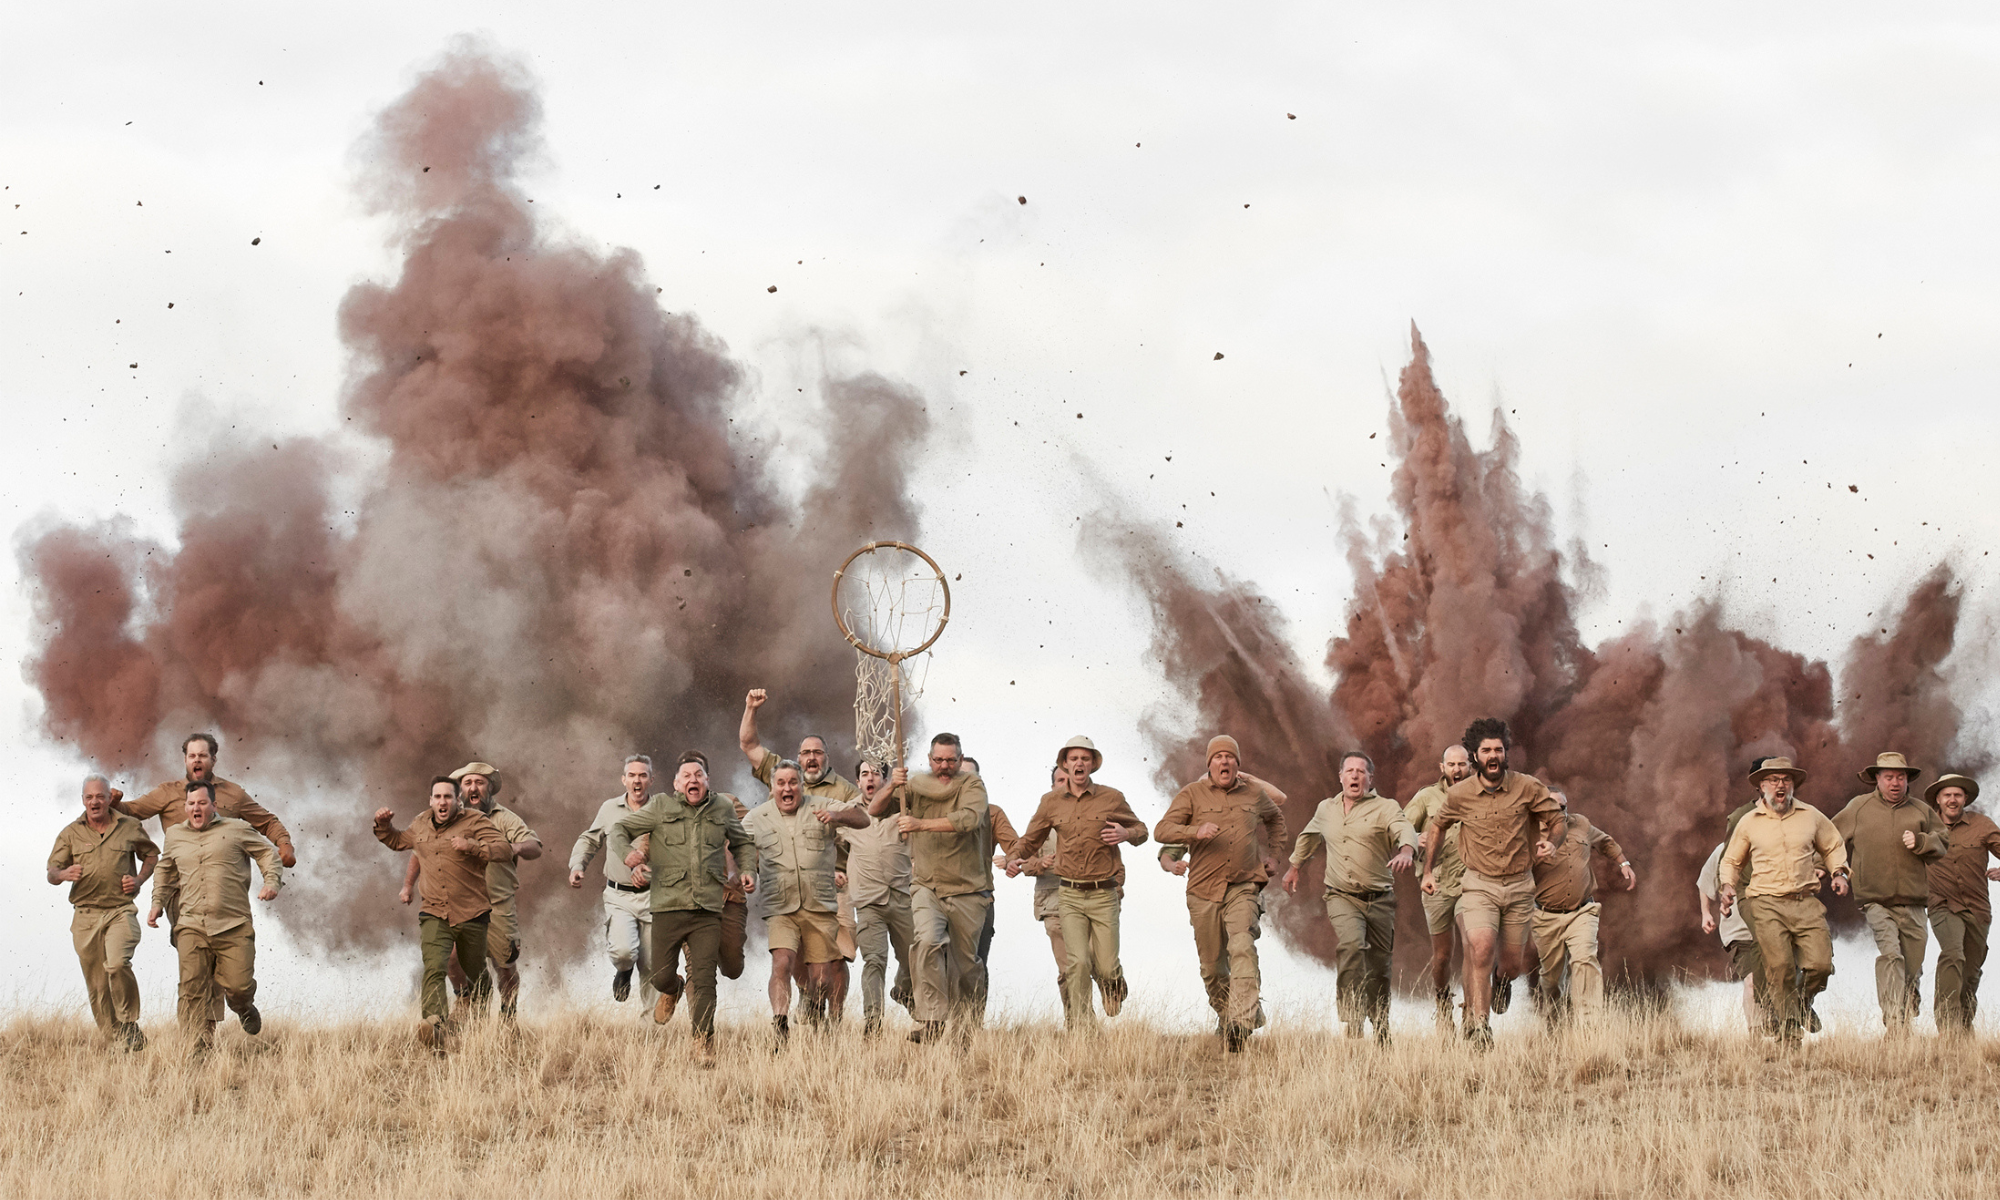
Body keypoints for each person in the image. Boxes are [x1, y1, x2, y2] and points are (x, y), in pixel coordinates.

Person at [114, 732, 296, 1029]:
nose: (196, 760)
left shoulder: (233, 795)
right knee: (197, 965)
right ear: (185, 759)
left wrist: (284, 844)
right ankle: (200, 1043)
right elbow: (132, 812)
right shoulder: (167, 792)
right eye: (191, 755)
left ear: (214, 758)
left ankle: (239, 1001)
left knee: (227, 972)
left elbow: (267, 822)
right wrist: (115, 803)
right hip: (180, 893)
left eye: (203, 755)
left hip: (225, 895)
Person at [1420, 718, 1563, 1048]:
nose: (1493, 755)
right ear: (1475, 756)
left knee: (1512, 963)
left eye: (1498, 749)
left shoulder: (1528, 787)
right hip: (1479, 885)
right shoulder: (1460, 794)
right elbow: (1439, 827)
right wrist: (1429, 871)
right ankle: (1480, 1028)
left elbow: (1556, 820)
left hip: (1519, 887)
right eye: (1486, 750)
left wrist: (1553, 842)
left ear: (1506, 752)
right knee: (1481, 948)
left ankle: (1502, 981)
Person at [609, 754, 757, 1065]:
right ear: (677, 783)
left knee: (703, 978)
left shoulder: (726, 807)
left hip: (709, 907)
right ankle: (672, 988)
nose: (693, 779)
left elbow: (744, 842)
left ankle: (703, 1042)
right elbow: (624, 831)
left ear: (707, 780)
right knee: (660, 976)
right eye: (685, 775)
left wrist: (748, 870)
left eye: (698, 774)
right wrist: (631, 858)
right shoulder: (661, 807)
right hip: (668, 906)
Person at [1156, 735, 1289, 1053]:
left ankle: (1240, 1026)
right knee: (1213, 968)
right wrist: (1194, 831)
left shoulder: (1254, 793)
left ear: (1238, 765)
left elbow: (1276, 818)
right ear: (1209, 763)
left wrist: (1274, 855)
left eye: (1231, 757)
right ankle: (1232, 1015)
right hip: (1203, 891)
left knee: (1243, 946)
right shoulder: (1192, 794)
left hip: (1243, 885)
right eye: (1218, 757)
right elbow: (1162, 829)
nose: (1225, 761)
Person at [1007, 736, 1149, 1030]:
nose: (1079, 763)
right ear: (1065, 764)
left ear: (1093, 764)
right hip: (1069, 893)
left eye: (1085, 758)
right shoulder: (1050, 803)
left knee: (1107, 966)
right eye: (1074, 759)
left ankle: (1113, 985)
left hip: (1104, 893)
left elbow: (1142, 830)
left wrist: (1126, 833)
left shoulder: (1111, 797)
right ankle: (1082, 1030)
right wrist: (1014, 858)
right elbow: (1031, 838)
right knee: (1078, 964)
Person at [740, 689, 865, 1016]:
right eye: (805, 752)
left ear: (826, 758)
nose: (811, 757)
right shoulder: (784, 777)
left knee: (835, 959)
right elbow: (750, 746)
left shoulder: (843, 792)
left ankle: (833, 1021)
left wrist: (846, 868)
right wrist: (751, 709)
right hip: (786, 885)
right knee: (790, 957)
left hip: (834, 885)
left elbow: (862, 828)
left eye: (817, 752)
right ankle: (806, 1000)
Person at [1283, 751, 1415, 1043]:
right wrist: (1294, 868)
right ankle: (1353, 1016)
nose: (1355, 776)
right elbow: (1309, 837)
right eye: (1350, 771)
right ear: (1340, 776)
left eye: (1361, 771)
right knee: (1352, 946)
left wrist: (1406, 851)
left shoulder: (1385, 807)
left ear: (1370, 778)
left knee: (1380, 968)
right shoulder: (1326, 809)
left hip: (1380, 898)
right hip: (1341, 896)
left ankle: (1380, 1026)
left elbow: (1404, 828)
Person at [375, 777, 514, 1049]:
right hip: (433, 912)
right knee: (434, 966)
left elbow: (504, 849)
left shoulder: (474, 822)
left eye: (448, 797)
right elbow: (398, 841)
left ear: (457, 800)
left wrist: (472, 846)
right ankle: (434, 1024)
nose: (442, 802)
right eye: (437, 797)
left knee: (474, 969)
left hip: (471, 912)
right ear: (430, 800)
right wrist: (383, 825)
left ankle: (479, 998)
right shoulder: (421, 823)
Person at [1719, 757, 1850, 1046]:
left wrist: (1839, 873)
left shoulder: (1811, 815)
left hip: (1804, 901)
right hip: (1765, 901)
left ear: (1793, 785)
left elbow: (1833, 845)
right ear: (1762, 786)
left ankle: (1801, 1004)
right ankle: (1789, 1034)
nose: (1781, 785)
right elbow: (1731, 860)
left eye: (1786, 779)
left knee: (1820, 964)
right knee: (1779, 967)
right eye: (1774, 780)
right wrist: (1727, 886)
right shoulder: (1748, 822)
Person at [147, 782, 283, 1059]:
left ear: (214, 806)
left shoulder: (237, 829)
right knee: (191, 987)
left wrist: (271, 881)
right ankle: (195, 1050)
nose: (195, 808)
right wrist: (157, 903)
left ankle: (244, 1006)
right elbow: (165, 870)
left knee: (238, 985)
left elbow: (267, 852)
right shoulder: (174, 835)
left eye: (201, 803)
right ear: (185, 807)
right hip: (191, 924)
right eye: (190, 804)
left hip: (233, 925)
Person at [874, 732, 990, 1044]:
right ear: (929, 759)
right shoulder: (917, 785)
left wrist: (919, 824)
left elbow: (968, 820)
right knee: (925, 943)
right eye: (938, 760)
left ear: (960, 759)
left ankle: (966, 1031)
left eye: (951, 760)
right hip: (927, 886)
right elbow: (875, 810)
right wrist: (892, 785)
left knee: (967, 966)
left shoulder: (972, 786)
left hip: (967, 890)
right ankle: (932, 1018)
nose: (944, 766)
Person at [745, 759, 870, 1044]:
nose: (787, 788)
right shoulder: (758, 817)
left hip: (819, 905)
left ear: (802, 785)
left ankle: (814, 1006)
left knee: (822, 977)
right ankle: (780, 1024)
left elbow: (863, 819)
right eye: (781, 783)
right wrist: (744, 870)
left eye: (793, 782)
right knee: (782, 962)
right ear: (773, 787)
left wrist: (837, 818)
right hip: (780, 905)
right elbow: (738, 844)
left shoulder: (822, 805)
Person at [1832, 752, 1947, 1035]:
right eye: (1889, 777)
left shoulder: (1921, 810)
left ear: (1907, 780)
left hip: (1915, 902)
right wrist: (1837, 872)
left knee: (1912, 967)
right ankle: (1895, 1025)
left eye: (1901, 777)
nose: (1895, 783)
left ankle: (1907, 1005)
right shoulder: (1858, 807)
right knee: (1891, 957)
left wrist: (1921, 841)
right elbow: (1830, 838)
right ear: (1877, 779)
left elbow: (1942, 841)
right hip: (1875, 899)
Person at [47, 774, 158, 1050]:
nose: (94, 801)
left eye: (100, 796)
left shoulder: (130, 826)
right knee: (97, 985)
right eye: (89, 797)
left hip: (120, 911)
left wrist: (139, 880)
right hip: (85, 916)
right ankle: (118, 1044)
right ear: (83, 800)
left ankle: (129, 1022)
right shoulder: (70, 833)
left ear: (110, 798)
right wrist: (63, 873)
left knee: (118, 964)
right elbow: (50, 872)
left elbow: (152, 855)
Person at [434, 762, 543, 1019]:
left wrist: (514, 848)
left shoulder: (504, 818)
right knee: (450, 957)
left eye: (480, 783)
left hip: (497, 904)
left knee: (504, 966)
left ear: (489, 788)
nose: (474, 787)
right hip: (459, 905)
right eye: (468, 782)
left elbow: (535, 846)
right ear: (460, 789)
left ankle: (508, 1016)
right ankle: (465, 999)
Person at [1528, 793, 1635, 1025]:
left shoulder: (1581, 824)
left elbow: (1605, 842)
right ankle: (1553, 1020)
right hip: (1546, 916)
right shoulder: (1529, 832)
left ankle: (1589, 1026)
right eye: (1551, 808)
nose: (1559, 813)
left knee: (1585, 959)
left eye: (1563, 808)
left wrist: (1623, 863)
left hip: (1582, 911)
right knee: (1551, 977)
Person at [567, 754, 659, 1009]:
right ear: (624, 780)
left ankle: (650, 1033)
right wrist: (577, 865)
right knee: (623, 952)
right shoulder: (610, 809)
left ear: (652, 779)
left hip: (654, 896)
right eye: (632, 775)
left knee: (652, 965)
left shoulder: (663, 810)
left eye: (642, 775)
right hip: (619, 895)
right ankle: (624, 970)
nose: (637, 780)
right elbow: (590, 839)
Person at [1923, 773, 2000, 1032]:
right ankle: (1948, 1029)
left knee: (1970, 971)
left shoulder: (1982, 825)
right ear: (1938, 799)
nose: (1953, 800)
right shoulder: (1925, 825)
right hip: (1942, 904)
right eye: (1947, 795)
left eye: (1957, 795)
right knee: (1953, 954)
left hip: (1978, 907)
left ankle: (1964, 1033)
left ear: (1965, 798)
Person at [1405, 744, 1474, 1030]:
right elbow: (1398, 827)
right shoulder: (1426, 797)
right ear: (1442, 768)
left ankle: (1473, 1013)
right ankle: (1443, 1000)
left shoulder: (1479, 795)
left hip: (1472, 883)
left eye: (1462, 764)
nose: (1457, 770)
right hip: (1437, 885)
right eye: (1451, 765)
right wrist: (1414, 836)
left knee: (1475, 947)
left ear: (1470, 765)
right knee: (1443, 954)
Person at [847, 758, 916, 1036]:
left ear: (886, 779)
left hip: (902, 898)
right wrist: (838, 871)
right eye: (865, 773)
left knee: (915, 957)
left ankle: (903, 989)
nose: (870, 778)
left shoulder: (902, 807)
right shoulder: (849, 812)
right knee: (874, 960)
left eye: (877, 773)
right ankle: (873, 1021)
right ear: (858, 781)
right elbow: (829, 842)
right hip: (868, 902)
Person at [1697, 840, 1766, 1033]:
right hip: (1739, 930)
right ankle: (1756, 1036)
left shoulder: (1775, 843)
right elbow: (1705, 880)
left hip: (1772, 926)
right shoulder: (1724, 849)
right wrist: (1705, 913)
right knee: (1751, 980)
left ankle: (1783, 1027)